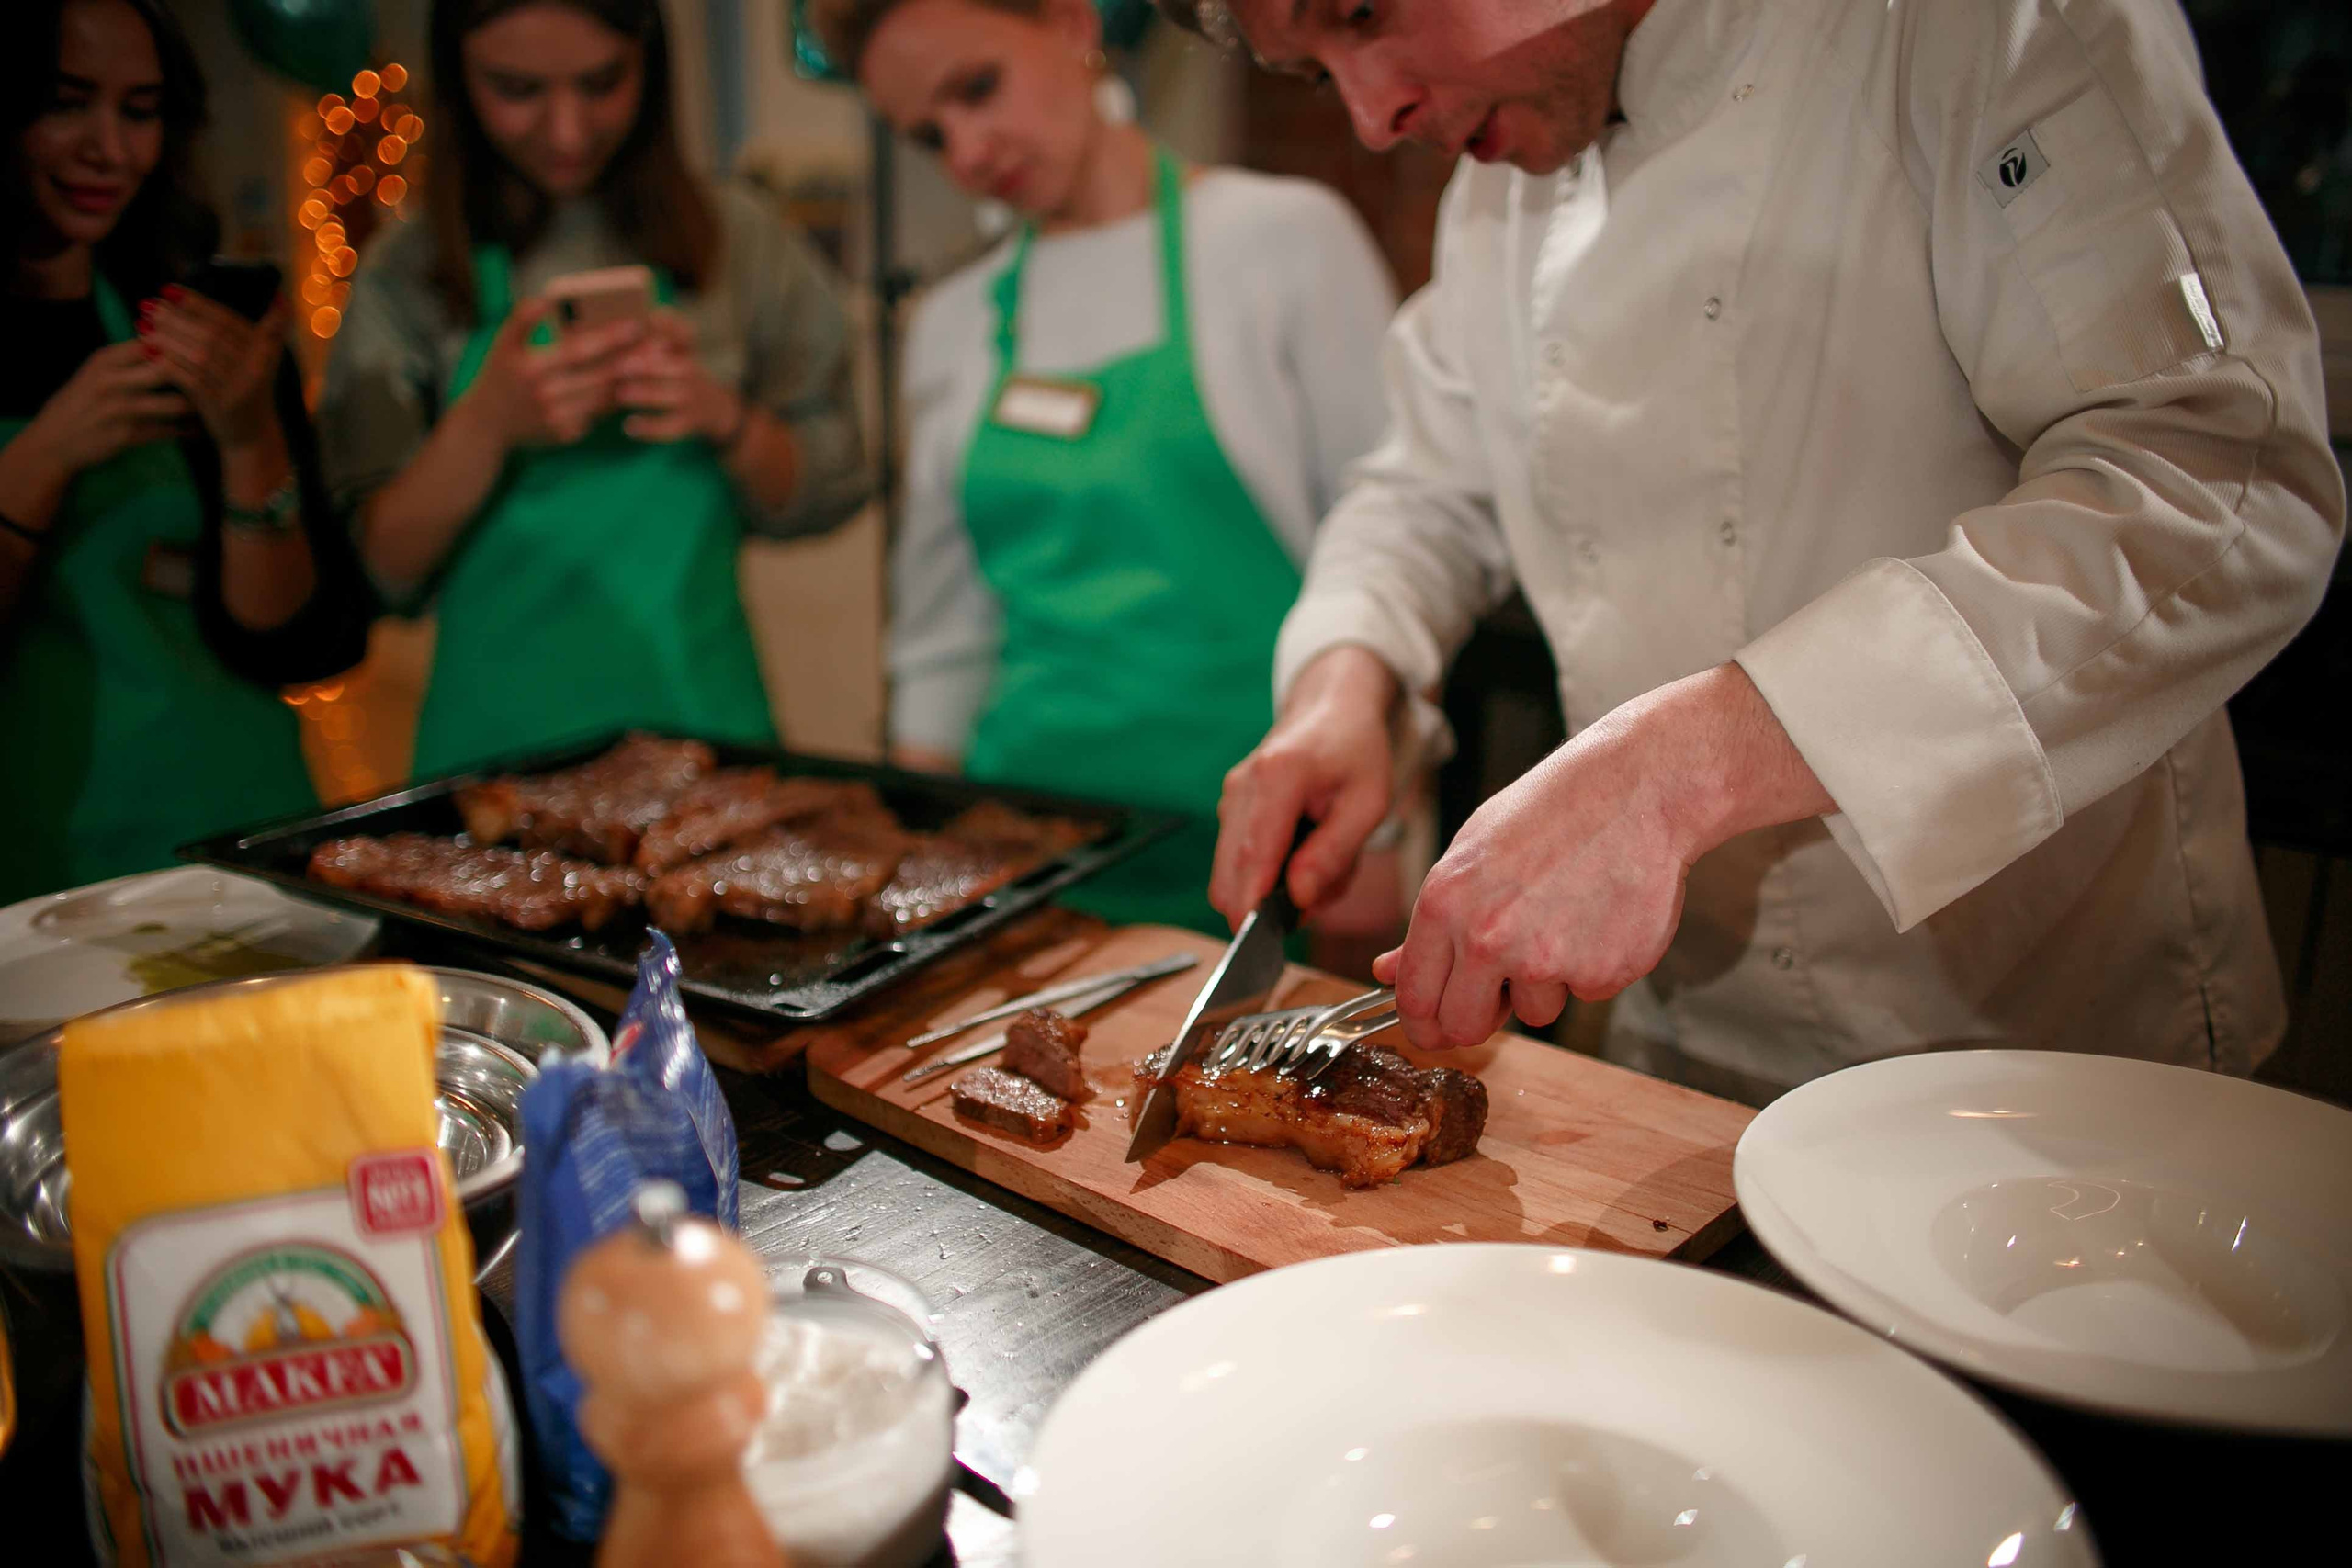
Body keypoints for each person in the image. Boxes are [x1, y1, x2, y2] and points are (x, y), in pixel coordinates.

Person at [1168, 0, 2346, 1101]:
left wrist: (1684, 767)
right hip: (1666, 1052)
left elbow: (2215, 484)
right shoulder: (1507, 167)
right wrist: (1346, 681)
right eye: (1314, 72)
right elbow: (1425, 483)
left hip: (2037, 1052)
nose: (1374, 119)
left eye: (1364, 11)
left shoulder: (1965, 28)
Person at [816, 0, 1397, 934]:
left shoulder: (1282, 242)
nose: (966, 151)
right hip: (1023, 862)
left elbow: (1390, 549)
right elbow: (942, 628)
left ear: (1071, 21)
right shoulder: (953, 323)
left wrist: (1381, 828)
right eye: (928, 133)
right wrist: (912, 861)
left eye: (977, 88)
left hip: (1264, 853)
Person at [319, 0, 869, 779]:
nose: (567, 131)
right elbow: (375, 571)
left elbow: (833, 484)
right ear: (455, 79)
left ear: (652, 63)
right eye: (517, 89)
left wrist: (726, 420)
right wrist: (486, 425)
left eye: (602, 83)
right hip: (492, 767)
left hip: (706, 741)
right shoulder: (408, 273)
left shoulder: (738, 241)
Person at [0, 0, 372, 905]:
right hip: (55, 879)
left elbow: (297, 643)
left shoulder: (199, 323)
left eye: (140, 111)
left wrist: (250, 439)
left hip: (249, 846)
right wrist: (40, 462)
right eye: (65, 103)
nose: (111, 150)